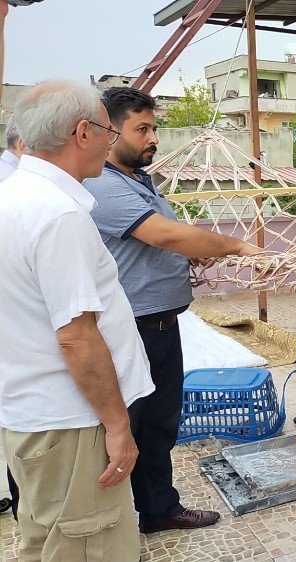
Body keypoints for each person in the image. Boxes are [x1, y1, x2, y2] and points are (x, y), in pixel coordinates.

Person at [83, 87, 259, 534]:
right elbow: (165, 235)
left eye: (154, 128)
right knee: (127, 429)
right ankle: (114, 522)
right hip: (132, 328)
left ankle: (158, 509)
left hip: (161, 323)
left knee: (160, 425)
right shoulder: (103, 185)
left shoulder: (141, 181)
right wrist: (236, 245)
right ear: (109, 132)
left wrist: (191, 255)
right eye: (141, 129)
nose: (153, 138)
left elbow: (162, 242)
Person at [0, 80, 153, 561]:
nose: (111, 144)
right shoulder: (57, 215)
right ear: (83, 132)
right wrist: (117, 426)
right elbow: (77, 338)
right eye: (110, 132)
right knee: (88, 545)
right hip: (72, 423)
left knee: (48, 540)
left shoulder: (14, 196)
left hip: (35, 415)